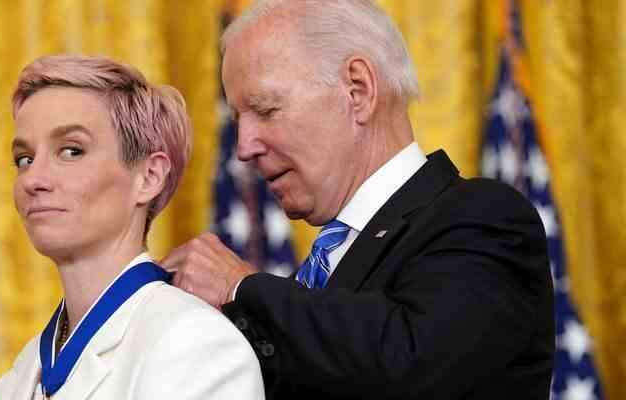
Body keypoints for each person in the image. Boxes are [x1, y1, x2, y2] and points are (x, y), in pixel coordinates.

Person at [162, 1, 555, 398]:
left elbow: (410, 363)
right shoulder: (319, 275)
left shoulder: (483, 218)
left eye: (265, 110)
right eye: (237, 121)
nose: (244, 147)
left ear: (358, 90)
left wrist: (239, 286)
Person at [0, 55, 264, 400]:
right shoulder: (18, 376)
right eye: (24, 159)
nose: (34, 179)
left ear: (149, 177)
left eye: (71, 151)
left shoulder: (197, 343)